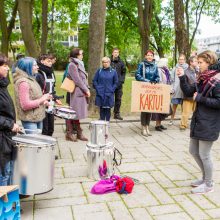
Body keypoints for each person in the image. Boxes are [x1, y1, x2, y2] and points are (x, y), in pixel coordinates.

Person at [177, 50, 220, 194]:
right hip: (199, 120)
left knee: (205, 154)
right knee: (193, 150)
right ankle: (204, 178)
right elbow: (189, 92)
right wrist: (182, 78)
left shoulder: (217, 80)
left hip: (210, 122)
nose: (197, 64)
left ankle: (209, 184)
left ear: (209, 62)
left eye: (200, 62)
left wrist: (200, 98)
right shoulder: (202, 77)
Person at [13, 57, 51, 134]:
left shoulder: (31, 79)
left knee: (38, 142)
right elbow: (25, 105)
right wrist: (42, 99)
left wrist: (44, 101)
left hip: (37, 117)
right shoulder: (23, 83)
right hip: (29, 119)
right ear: (27, 67)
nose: (37, 67)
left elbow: (34, 97)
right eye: (34, 65)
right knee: (33, 144)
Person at [0, 54, 21, 186]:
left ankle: (8, 204)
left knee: (8, 172)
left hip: (6, 135)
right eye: (4, 66)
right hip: (2, 137)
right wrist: (9, 124)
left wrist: (13, 123)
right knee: (3, 174)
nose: (8, 68)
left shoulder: (3, 85)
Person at [36, 54, 62, 136]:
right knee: (45, 128)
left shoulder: (51, 73)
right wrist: (43, 100)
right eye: (48, 61)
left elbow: (52, 88)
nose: (50, 63)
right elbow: (36, 91)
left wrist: (55, 98)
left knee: (51, 127)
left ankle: (49, 142)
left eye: (51, 61)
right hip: (42, 103)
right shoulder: (38, 74)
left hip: (51, 103)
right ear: (42, 61)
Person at [135, 50, 160, 136]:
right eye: (148, 55)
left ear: (153, 57)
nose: (149, 57)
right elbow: (137, 75)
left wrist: (155, 80)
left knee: (150, 108)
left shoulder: (155, 66)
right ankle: (143, 126)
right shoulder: (142, 64)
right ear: (145, 56)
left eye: (151, 55)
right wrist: (147, 81)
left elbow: (157, 76)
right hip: (143, 88)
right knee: (144, 108)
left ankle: (147, 126)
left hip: (152, 89)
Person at [67, 48, 90, 141]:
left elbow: (83, 78)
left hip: (81, 91)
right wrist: (86, 90)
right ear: (76, 55)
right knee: (74, 113)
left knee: (77, 113)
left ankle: (78, 132)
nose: (82, 55)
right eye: (81, 54)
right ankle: (70, 132)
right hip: (77, 92)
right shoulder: (72, 65)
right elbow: (77, 80)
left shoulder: (80, 64)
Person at [93, 57, 118, 121]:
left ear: (109, 62)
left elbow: (116, 82)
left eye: (107, 62)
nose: (105, 63)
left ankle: (107, 123)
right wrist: (97, 88)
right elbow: (94, 81)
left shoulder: (113, 71)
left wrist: (112, 90)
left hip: (109, 93)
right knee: (101, 109)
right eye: (104, 62)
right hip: (100, 93)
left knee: (107, 110)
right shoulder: (99, 71)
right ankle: (101, 123)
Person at [151, 58, 171, 131]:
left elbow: (168, 79)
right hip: (160, 91)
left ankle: (160, 123)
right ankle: (157, 125)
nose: (167, 64)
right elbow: (158, 80)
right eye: (166, 62)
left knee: (163, 108)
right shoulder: (159, 70)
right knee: (159, 109)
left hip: (165, 91)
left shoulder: (165, 70)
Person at [179, 55, 198, 130]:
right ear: (191, 62)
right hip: (188, 95)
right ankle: (183, 125)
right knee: (186, 113)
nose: (197, 62)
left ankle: (195, 125)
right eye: (196, 61)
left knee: (197, 112)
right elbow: (184, 85)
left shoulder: (198, 71)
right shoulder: (186, 72)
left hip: (196, 95)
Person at [169, 54, 188, 125]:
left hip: (184, 91)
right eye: (180, 59)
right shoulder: (175, 68)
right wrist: (172, 88)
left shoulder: (187, 68)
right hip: (176, 90)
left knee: (184, 108)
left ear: (185, 60)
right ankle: (171, 120)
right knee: (174, 106)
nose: (181, 61)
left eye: (182, 59)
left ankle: (183, 121)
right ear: (178, 60)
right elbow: (172, 80)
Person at [111, 48, 126, 120]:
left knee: (118, 99)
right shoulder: (109, 61)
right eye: (115, 52)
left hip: (118, 84)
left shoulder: (121, 62)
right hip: (110, 84)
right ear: (112, 53)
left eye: (117, 52)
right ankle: (106, 112)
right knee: (109, 98)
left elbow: (124, 72)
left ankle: (116, 113)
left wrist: (121, 81)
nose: (116, 53)